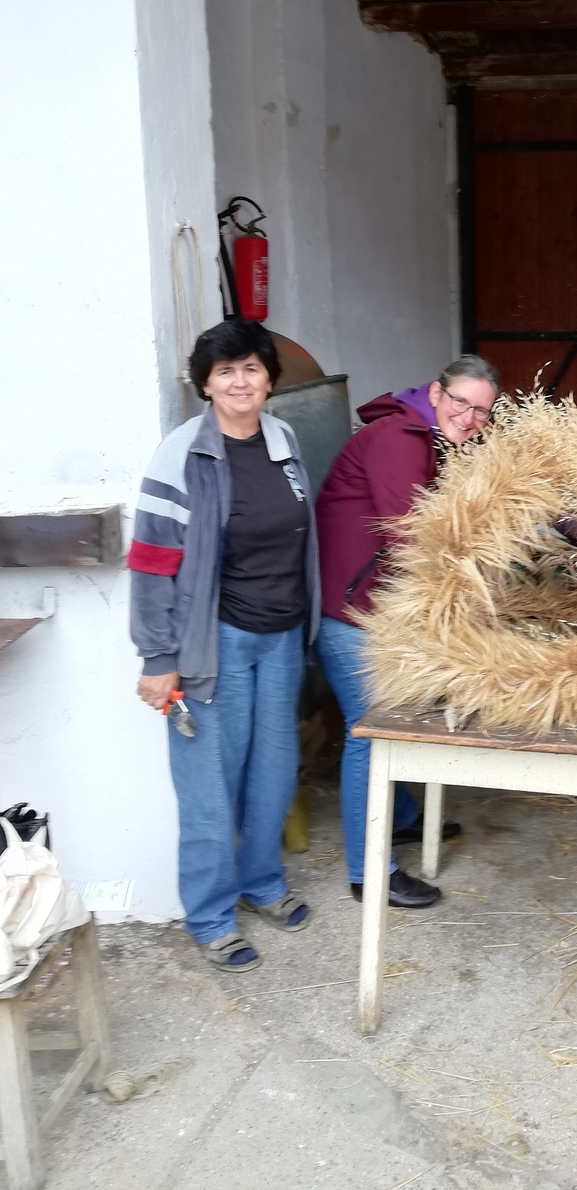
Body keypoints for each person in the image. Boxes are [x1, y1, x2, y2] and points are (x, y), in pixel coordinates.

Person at [129, 319, 319, 973]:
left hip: (282, 636)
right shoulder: (183, 454)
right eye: (225, 371)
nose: (240, 382)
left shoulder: (284, 440)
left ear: (270, 378)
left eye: (251, 369)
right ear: (205, 384)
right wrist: (158, 657)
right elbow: (151, 560)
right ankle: (210, 915)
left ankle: (261, 882)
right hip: (217, 642)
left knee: (273, 771)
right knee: (210, 785)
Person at [316, 355, 500, 908]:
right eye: (461, 401)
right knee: (372, 736)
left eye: (482, 411)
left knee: (389, 721)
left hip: (373, 609)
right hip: (350, 613)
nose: (469, 417)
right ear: (437, 394)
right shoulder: (401, 438)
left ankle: (400, 818)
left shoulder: (429, 438)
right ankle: (369, 872)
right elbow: (413, 540)